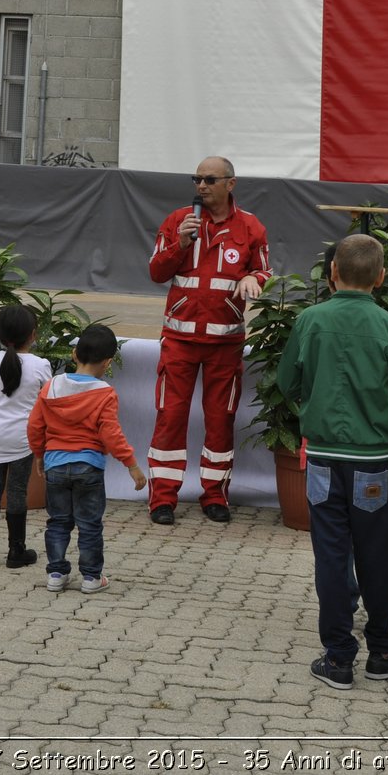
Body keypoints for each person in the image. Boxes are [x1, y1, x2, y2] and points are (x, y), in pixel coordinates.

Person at [278, 233, 388, 689]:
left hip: (324, 457)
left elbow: (286, 381)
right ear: (381, 278)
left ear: (332, 274)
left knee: (331, 555)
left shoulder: (309, 321)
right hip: (375, 461)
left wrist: (315, 405)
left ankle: (338, 657)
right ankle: (383, 650)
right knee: (377, 557)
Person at [145, 156, 271, 525]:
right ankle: (163, 500)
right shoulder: (177, 221)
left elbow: (263, 267)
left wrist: (256, 281)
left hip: (225, 344)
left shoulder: (250, 227)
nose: (201, 186)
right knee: (170, 417)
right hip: (179, 340)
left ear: (230, 183)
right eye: (197, 179)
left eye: (209, 179)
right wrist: (180, 243)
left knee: (221, 420)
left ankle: (215, 496)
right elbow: (156, 272)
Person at [28, 324, 145, 593]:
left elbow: (35, 425)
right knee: (90, 524)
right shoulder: (104, 394)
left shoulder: (52, 387)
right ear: (106, 363)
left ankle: (56, 574)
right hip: (89, 467)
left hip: (55, 465)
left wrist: (39, 453)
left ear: (73, 354)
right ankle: (92, 578)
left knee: (58, 522)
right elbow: (111, 434)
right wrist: (132, 465)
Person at [0, 305, 52, 568]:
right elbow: (47, 403)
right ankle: (16, 551)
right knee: (17, 490)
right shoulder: (41, 365)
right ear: (33, 334)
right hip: (24, 438)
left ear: (0, 335)